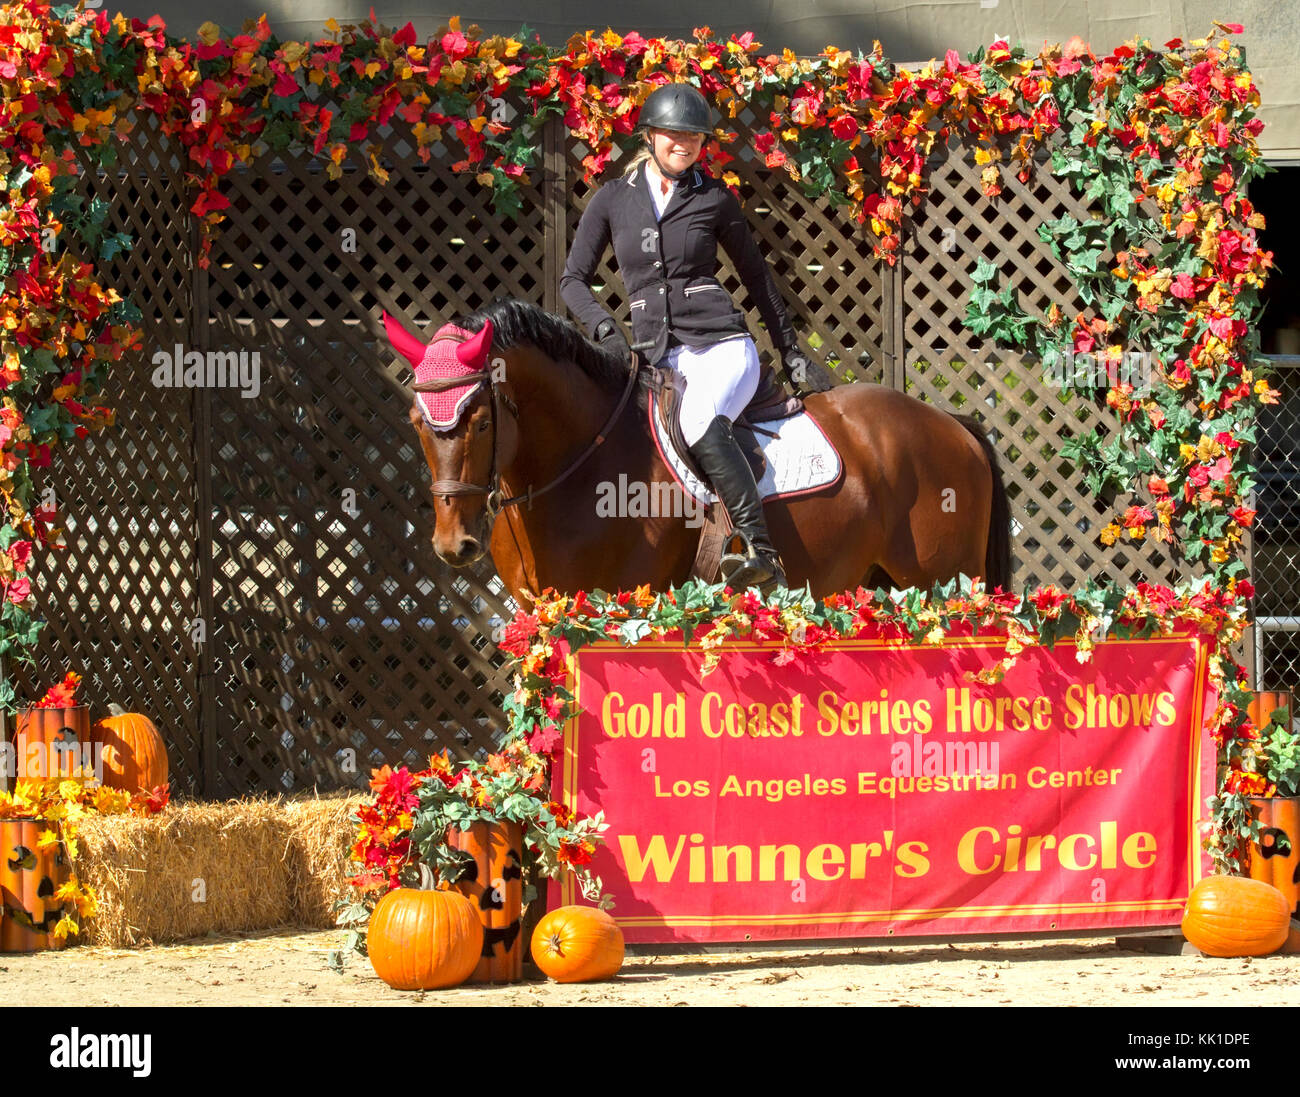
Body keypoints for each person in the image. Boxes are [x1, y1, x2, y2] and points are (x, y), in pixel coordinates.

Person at [560, 81, 816, 593]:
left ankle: (762, 552)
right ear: (650, 136)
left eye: (696, 137)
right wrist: (606, 329)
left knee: (700, 418)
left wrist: (791, 353)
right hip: (657, 356)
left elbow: (757, 279)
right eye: (675, 134)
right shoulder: (613, 199)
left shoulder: (714, 198)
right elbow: (572, 280)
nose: (686, 144)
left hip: (721, 346)